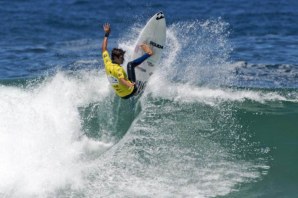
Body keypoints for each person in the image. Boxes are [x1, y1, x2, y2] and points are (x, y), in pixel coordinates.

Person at [101, 23, 153, 99]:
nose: (123, 59)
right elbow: (121, 80)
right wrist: (130, 85)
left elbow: (104, 49)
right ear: (116, 57)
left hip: (122, 96)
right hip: (131, 91)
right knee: (130, 65)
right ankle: (149, 53)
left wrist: (106, 34)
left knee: (127, 71)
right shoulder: (118, 69)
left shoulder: (107, 63)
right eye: (121, 57)